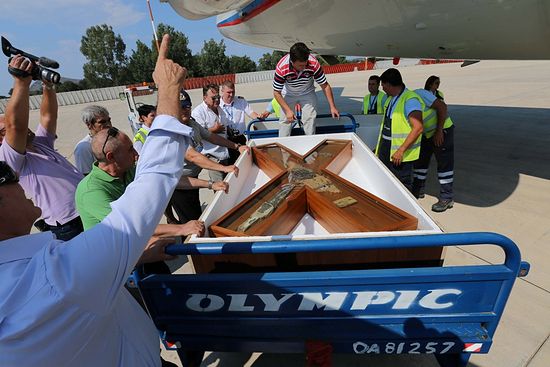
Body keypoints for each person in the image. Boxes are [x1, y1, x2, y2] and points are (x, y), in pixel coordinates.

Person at [0, 34, 194, 366]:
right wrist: (167, 89)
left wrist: (46, 85)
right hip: (69, 231)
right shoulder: (60, 278)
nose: (15, 179)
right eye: (5, 176)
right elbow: (148, 190)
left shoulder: (41, 147)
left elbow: (46, 119)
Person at [0, 55, 84, 241]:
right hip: (69, 225)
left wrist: (47, 85)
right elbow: (16, 126)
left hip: (85, 209)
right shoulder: (7, 158)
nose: (25, 127)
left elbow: (48, 116)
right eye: (5, 130)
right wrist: (21, 83)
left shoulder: (38, 143)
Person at [168, 91, 247, 224]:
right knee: (191, 224)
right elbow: (193, 156)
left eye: (188, 106)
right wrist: (223, 168)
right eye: (181, 107)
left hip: (192, 179)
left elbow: (212, 137)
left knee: (196, 218)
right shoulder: (174, 131)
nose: (186, 110)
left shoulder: (191, 124)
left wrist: (236, 146)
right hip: (179, 186)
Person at [273, 42, 339, 137]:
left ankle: (310, 143)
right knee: (285, 121)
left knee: (309, 118)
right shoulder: (282, 67)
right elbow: (276, 93)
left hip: (307, 92)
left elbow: (325, 86)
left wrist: (332, 106)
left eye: (305, 64)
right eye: (300, 66)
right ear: (292, 61)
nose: (303, 68)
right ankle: (283, 145)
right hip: (288, 93)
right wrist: (288, 111)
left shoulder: (313, 64)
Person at [375, 68, 424, 192]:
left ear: (390, 85)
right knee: (386, 182)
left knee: (401, 187)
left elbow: (418, 128)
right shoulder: (391, 99)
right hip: (387, 149)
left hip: (399, 154)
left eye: (383, 86)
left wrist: (401, 150)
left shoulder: (410, 100)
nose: (382, 88)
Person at [192, 84, 249, 182]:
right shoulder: (198, 113)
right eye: (213, 98)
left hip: (225, 154)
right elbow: (198, 135)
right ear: (204, 97)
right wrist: (214, 130)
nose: (217, 100)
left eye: (218, 97)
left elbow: (224, 129)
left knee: (230, 182)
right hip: (212, 156)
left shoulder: (220, 110)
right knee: (220, 187)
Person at [412, 85, 455, 212]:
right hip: (426, 134)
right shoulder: (404, 102)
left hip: (442, 130)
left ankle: (447, 198)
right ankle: (418, 190)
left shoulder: (420, 94)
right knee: (420, 162)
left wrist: (439, 131)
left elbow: (442, 107)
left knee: (444, 165)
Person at [219, 80, 269, 163]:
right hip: (225, 139)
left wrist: (258, 116)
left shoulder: (241, 101)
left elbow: (251, 113)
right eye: (229, 92)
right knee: (229, 164)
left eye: (233, 92)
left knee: (242, 162)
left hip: (240, 138)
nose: (231, 95)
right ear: (222, 91)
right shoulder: (217, 104)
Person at [74, 105, 113, 175]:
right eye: (102, 122)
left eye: (109, 120)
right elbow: (86, 175)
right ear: (89, 125)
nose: (108, 124)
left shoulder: (113, 138)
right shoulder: (83, 147)